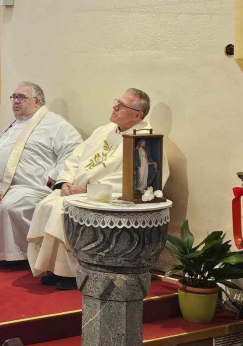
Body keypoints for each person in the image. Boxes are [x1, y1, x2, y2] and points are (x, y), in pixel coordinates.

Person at [27, 89, 169, 289]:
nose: (115, 107)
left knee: (61, 210)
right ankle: (55, 269)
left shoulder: (145, 141)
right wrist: (65, 182)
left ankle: (72, 273)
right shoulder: (104, 130)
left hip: (103, 197)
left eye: (122, 106)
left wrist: (87, 189)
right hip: (77, 190)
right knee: (48, 203)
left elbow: (130, 180)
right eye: (116, 102)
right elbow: (75, 157)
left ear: (137, 115)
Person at [0, 82, 81, 265]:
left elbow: (74, 150)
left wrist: (55, 177)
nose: (16, 101)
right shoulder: (11, 125)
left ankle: (16, 255)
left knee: (10, 205)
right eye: (14, 97)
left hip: (29, 186)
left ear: (37, 101)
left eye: (21, 97)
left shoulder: (56, 124)